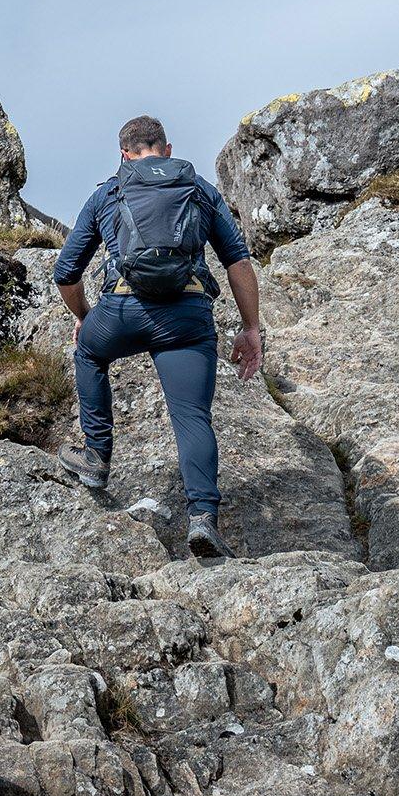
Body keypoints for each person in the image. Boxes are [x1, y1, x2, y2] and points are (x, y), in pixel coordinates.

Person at [51, 115, 265, 558]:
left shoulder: (108, 192)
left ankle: (96, 458)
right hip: (186, 317)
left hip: (123, 309)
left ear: (124, 155)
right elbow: (238, 262)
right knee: (191, 417)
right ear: (167, 149)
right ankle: (203, 519)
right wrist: (250, 329)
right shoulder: (199, 189)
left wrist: (86, 317)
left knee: (88, 351)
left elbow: (66, 272)